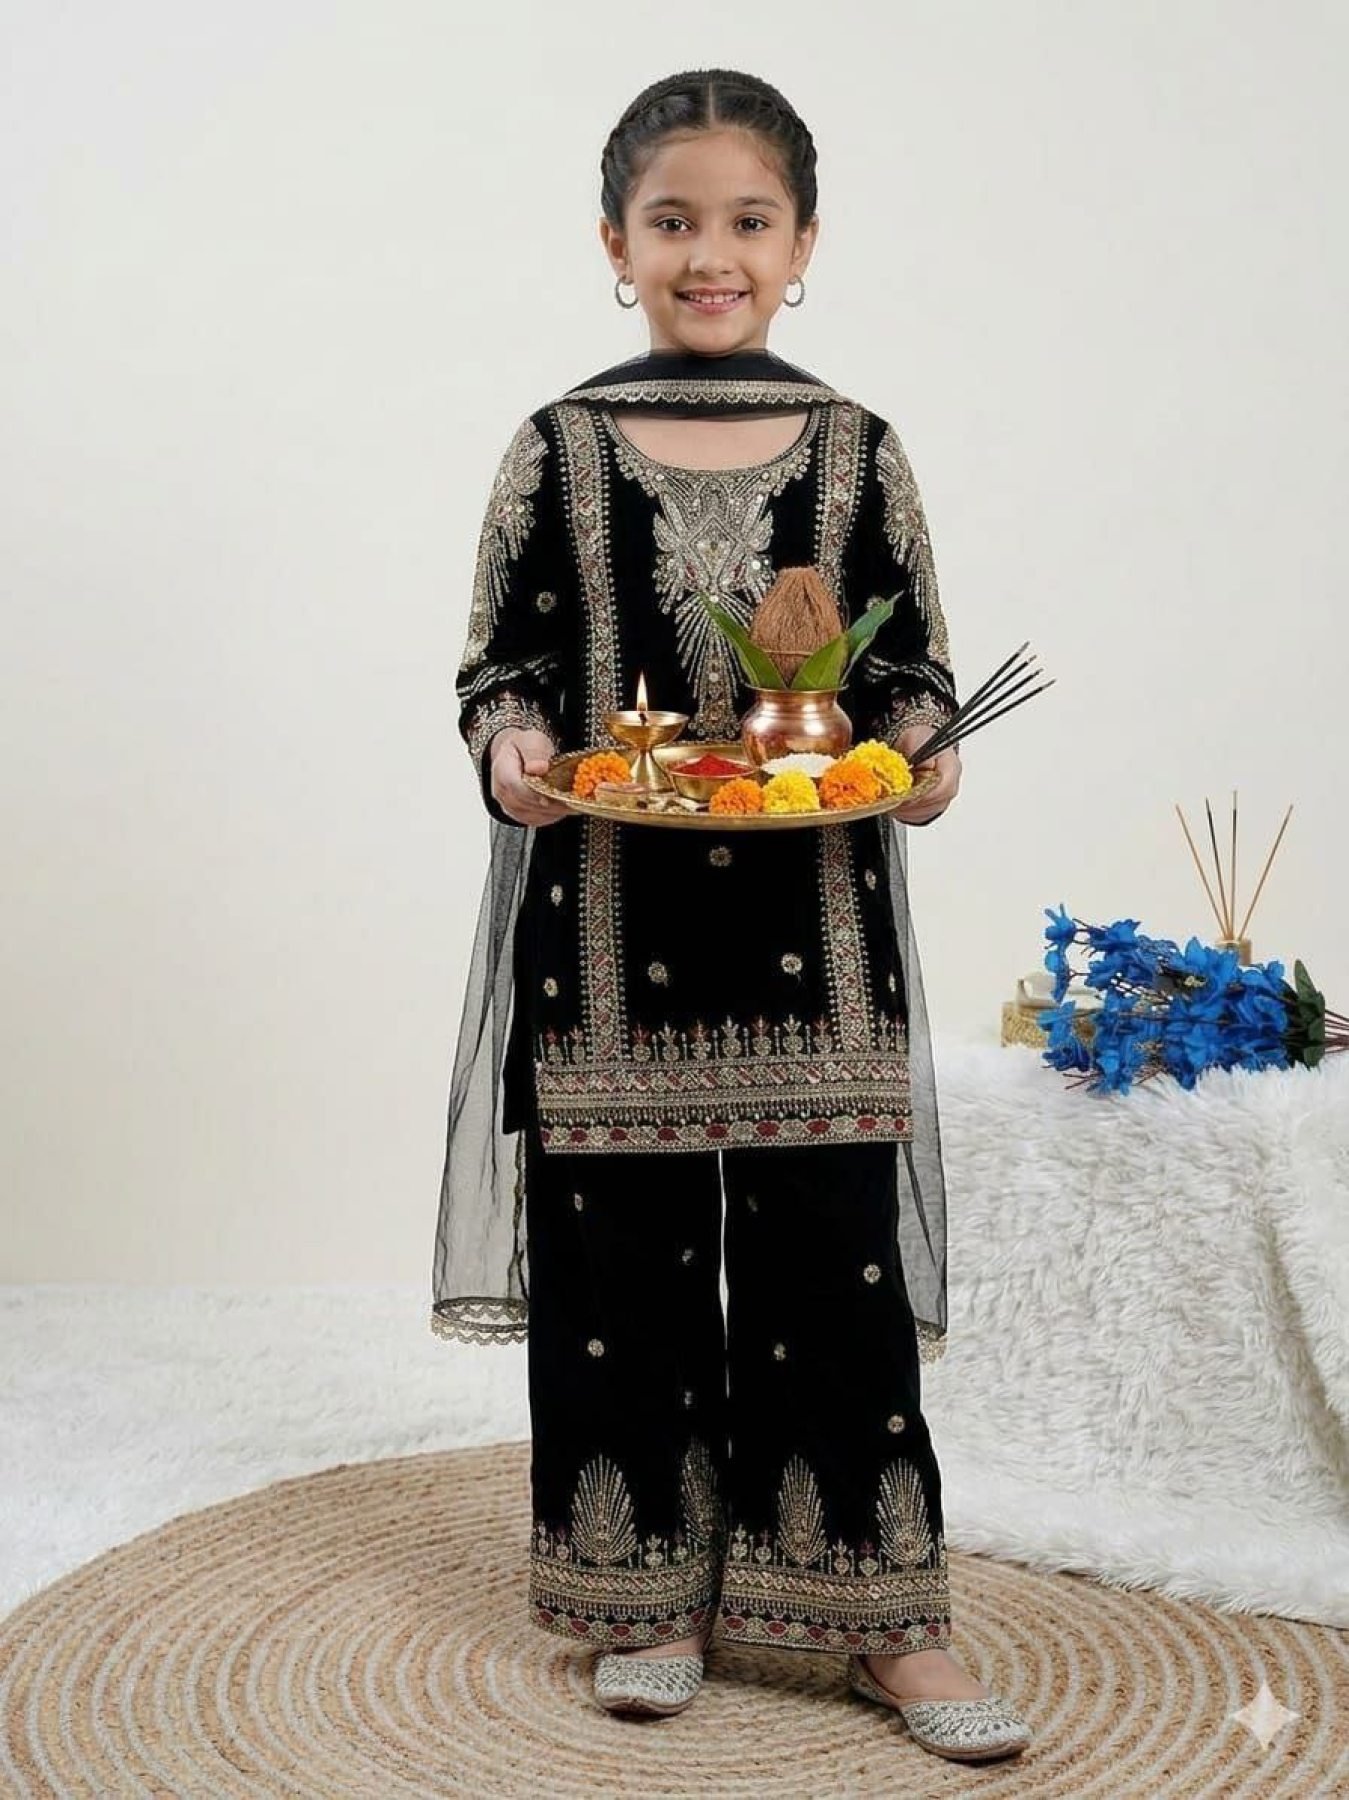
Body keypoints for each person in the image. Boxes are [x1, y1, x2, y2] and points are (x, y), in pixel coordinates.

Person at [432, 69, 1032, 1764]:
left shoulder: (859, 450)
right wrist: (514, 748)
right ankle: (642, 1596)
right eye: (672, 221)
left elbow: (911, 664)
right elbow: (498, 663)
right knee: (618, 1265)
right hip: (605, 929)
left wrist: (923, 750)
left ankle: (884, 1617)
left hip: (816, 936)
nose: (711, 255)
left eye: (747, 221)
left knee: (833, 1262)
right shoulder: (555, 447)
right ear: (613, 244)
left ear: (804, 244)